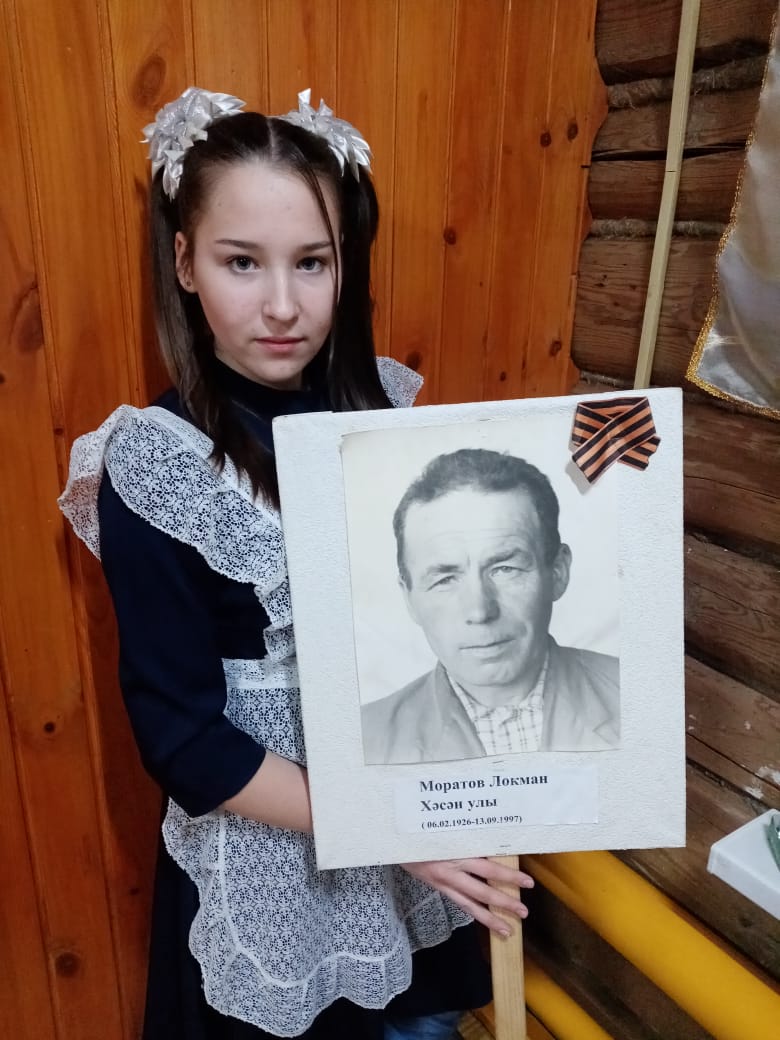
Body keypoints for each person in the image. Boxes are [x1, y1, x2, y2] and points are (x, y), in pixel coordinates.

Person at [58, 88, 534, 1040]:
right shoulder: (155, 464)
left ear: (344, 263)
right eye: (242, 261)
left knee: (424, 1025)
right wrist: (388, 825)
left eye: (312, 262)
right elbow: (183, 739)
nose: (282, 305)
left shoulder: (389, 414)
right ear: (185, 263)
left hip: (424, 846)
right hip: (276, 857)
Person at [361, 448, 620, 765]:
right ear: (409, 597)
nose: (480, 611)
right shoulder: (364, 741)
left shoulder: (640, 696)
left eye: (505, 569)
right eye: (445, 579)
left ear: (557, 572)